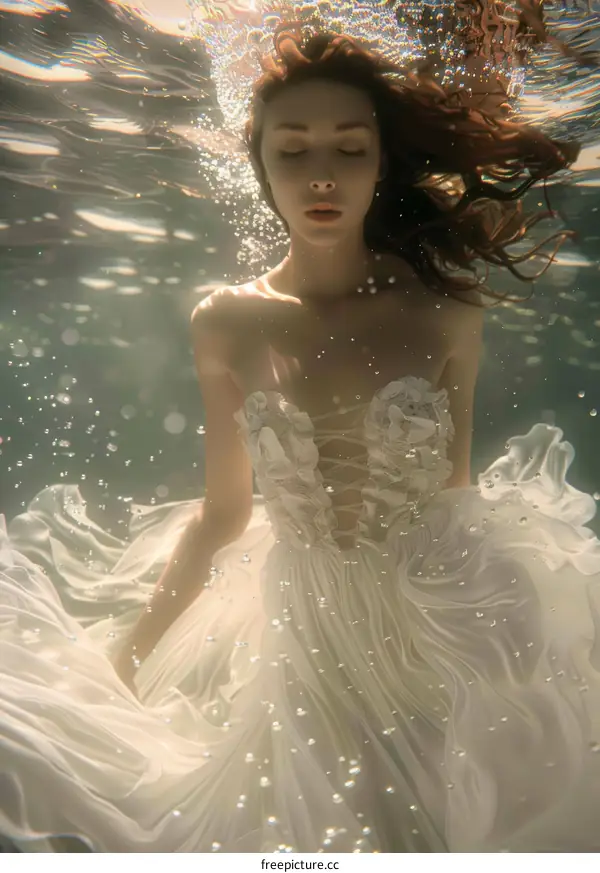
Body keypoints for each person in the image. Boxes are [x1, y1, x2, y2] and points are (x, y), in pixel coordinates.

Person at [1, 23, 600, 854]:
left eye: (349, 149)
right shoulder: (227, 323)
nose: (321, 174)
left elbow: (457, 495)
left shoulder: (447, 310)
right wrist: (128, 658)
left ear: (381, 162)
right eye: (293, 151)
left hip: (440, 625)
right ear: (261, 166)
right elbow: (221, 514)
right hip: (304, 641)